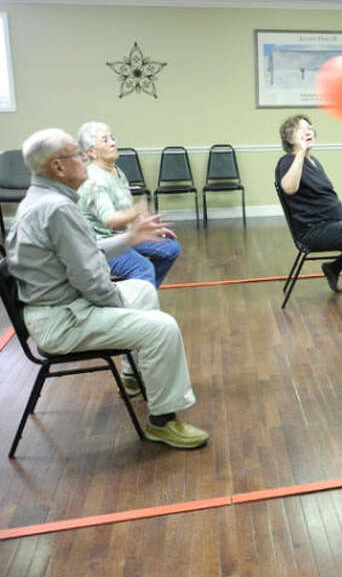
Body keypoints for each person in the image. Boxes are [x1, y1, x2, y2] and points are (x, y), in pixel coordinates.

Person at [5, 129, 207, 449]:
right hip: (62, 321)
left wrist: (131, 238)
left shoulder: (47, 199)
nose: (86, 158)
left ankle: (134, 375)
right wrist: (117, 305)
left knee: (142, 289)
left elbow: (88, 248)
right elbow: (92, 282)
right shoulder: (56, 208)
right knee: (162, 328)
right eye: (78, 154)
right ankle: (163, 421)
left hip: (63, 309)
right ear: (58, 167)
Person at [275, 114, 342, 311]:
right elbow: (289, 188)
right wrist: (300, 153)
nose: (309, 131)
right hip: (313, 230)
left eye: (310, 127)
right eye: (302, 130)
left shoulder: (314, 162)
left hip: (333, 222)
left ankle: (333, 268)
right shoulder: (288, 161)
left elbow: (328, 196)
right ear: (290, 138)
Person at [76, 121, 180, 288]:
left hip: (123, 236)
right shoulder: (94, 180)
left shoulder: (116, 171)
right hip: (101, 247)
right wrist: (137, 211)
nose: (113, 143)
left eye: (112, 138)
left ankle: (140, 292)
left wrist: (144, 224)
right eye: (105, 140)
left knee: (170, 248)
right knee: (143, 268)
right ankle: (137, 301)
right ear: (91, 152)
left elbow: (123, 211)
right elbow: (111, 220)